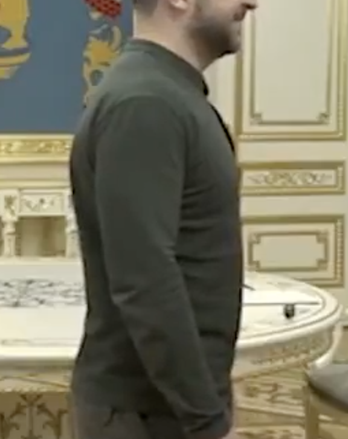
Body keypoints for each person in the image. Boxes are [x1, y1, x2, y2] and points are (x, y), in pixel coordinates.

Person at [68, 0, 258, 438]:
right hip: (146, 416)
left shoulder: (167, 94)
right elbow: (145, 280)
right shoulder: (146, 103)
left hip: (169, 410)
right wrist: (207, 419)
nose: (252, 3)